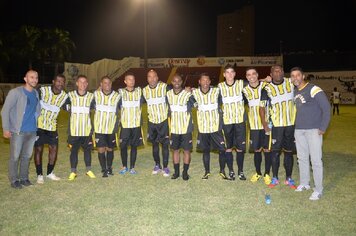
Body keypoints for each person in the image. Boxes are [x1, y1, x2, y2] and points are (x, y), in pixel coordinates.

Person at [291, 67, 330, 200]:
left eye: (298, 75)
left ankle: (318, 189)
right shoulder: (295, 91)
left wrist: (323, 127)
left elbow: (326, 108)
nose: (295, 78)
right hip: (299, 130)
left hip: (313, 130)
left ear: (303, 76)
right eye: (293, 76)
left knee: (315, 160)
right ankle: (304, 183)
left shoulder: (313, 89)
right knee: (301, 158)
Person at [1, 70, 41, 189]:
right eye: (31, 77)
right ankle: (14, 180)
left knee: (27, 156)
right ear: (25, 79)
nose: (34, 80)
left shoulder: (35, 93)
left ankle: (24, 178)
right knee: (15, 156)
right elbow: (5, 111)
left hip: (32, 130)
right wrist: (6, 128)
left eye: (36, 78)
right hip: (18, 131)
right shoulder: (16, 92)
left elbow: (36, 110)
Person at [259, 65, 297, 189]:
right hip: (276, 126)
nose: (278, 72)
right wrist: (265, 125)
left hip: (291, 124)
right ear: (271, 74)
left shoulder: (291, 83)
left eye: (280, 70)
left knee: (289, 152)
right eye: (275, 71)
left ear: (283, 72)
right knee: (275, 153)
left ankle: (289, 178)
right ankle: (275, 178)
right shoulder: (267, 88)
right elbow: (261, 108)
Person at [34, 74, 68, 184]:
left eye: (62, 82)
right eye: (58, 81)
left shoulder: (64, 96)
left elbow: (71, 106)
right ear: (53, 81)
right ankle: (39, 174)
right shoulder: (42, 90)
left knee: (53, 149)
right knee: (38, 150)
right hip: (39, 126)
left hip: (52, 127)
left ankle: (50, 172)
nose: (60, 83)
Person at [192, 73, 226, 180]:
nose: (205, 82)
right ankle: (207, 171)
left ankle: (222, 170)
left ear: (210, 82)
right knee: (206, 150)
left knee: (222, 149)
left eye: (207, 80)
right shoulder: (195, 93)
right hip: (203, 128)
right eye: (203, 80)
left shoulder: (216, 91)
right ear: (199, 81)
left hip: (216, 127)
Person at [243, 67, 272, 185]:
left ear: (257, 74)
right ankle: (258, 172)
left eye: (253, 74)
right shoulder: (244, 90)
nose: (251, 76)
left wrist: (266, 79)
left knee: (267, 149)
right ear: (246, 77)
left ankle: (267, 173)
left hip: (266, 124)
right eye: (249, 74)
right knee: (257, 150)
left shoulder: (265, 85)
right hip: (254, 125)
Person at [218, 65, 247, 180]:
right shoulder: (220, 87)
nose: (230, 75)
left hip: (240, 121)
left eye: (232, 72)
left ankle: (240, 171)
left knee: (240, 148)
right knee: (228, 148)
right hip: (227, 122)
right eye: (227, 72)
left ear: (235, 74)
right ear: (224, 74)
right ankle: (231, 170)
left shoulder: (241, 84)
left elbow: (255, 83)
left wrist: (265, 80)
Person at [65, 75, 96, 180]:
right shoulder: (70, 95)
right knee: (74, 151)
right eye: (80, 82)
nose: (82, 84)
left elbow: (95, 108)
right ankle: (73, 172)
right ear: (77, 83)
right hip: (74, 130)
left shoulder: (91, 97)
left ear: (87, 84)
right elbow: (65, 107)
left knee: (87, 150)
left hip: (86, 130)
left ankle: (89, 170)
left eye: (85, 82)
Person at [142, 69, 170, 177]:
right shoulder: (144, 90)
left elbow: (175, 94)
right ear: (147, 78)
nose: (152, 79)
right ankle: (157, 165)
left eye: (154, 76)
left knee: (165, 145)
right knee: (154, 145)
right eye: (150, 76)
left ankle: (166, 167)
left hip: (163, 121)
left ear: (157, 78)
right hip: (152, 122)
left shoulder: (164, 87)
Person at [166, 74, 194, 180]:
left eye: (178, 81)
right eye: (174, 81)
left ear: (181, 82)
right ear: (172, 82)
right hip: (174, 128)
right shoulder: (168, 94)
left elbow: (195, 104)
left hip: (186, 128)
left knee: (186, 151)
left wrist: (192, 92)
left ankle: (185, 172)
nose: (176, 82)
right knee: (175, 150)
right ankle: (176, 172)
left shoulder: (187, 93)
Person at [93, 76, 121, 177]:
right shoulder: (95, 95)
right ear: (101, 84)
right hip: (99, 128)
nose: (107, 85)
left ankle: (109, 167)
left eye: (109, 83)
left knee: (110, 149)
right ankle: (103, 169)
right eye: (105, 83)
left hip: (111, 128)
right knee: (101, 149)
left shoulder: (117, 96)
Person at [118, 72, 144, 175]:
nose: (131, 81)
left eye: (133, 79)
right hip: (125, 125)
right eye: (129, 79)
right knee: (123, 146)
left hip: (136, 124)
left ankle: (132, 167)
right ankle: (124, 166)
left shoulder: (139, 91)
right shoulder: (120, 92)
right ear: (125, 81)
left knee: (134, 146)